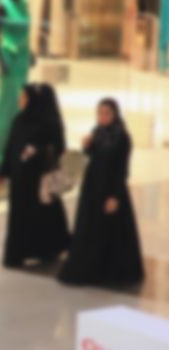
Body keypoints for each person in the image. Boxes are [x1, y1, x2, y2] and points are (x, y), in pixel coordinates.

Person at [58, 98, 144, 286]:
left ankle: (108, 270)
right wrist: (87, 146)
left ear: (114, 115)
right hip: (93, 188)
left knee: (111, 230)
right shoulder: (98, 132)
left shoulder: (122, 137)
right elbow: (93, 155)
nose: (102, 117)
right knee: (91, 228)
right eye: (99, 113)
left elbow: (122, 168)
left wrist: (114, 196)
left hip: (111, 188)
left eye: (106, 113)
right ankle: (91, 268)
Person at [0, 83, 70, 268]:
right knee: (19, 216)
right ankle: (18, 253)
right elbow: (10, 147)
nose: (20, 101)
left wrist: (37, 150)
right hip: (20, 180)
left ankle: (46, 250)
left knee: (42, 216)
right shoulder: (19, 120)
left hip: (40, 181)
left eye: (24, 98)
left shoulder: (49, 123)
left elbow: (59, 148)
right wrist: (3, 171)